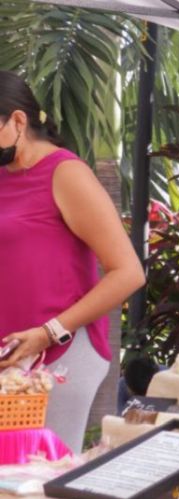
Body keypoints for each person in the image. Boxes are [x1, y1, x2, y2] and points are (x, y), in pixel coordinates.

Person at [0, 71, 145, 452]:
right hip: (8, 357)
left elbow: (128, 272)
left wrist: (47, 333)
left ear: (18, 121)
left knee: (43, 476)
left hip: (59, 354)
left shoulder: (66, 173)